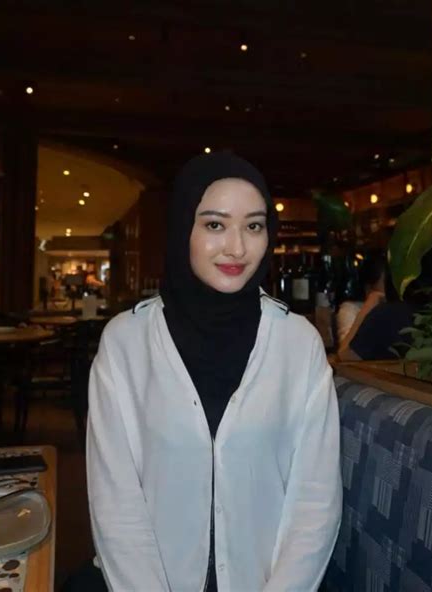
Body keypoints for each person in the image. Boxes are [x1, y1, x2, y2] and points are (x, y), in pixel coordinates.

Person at [86, 152, 342, 591]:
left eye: (254, 226)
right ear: (183, 228)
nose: (237, 248)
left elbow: (315, 502)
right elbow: (116, 503)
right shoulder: (126, 342)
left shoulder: (298, 344)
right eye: (215, 225)